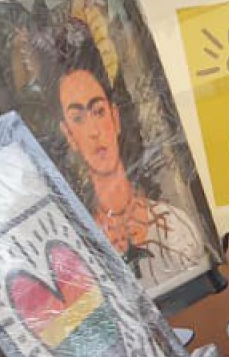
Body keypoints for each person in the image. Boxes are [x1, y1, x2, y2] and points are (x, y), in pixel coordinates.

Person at [39, 15, 212, 296]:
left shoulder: (174, 226)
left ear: (115, 117)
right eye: (78, 118)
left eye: (98, 111)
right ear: (68, 135)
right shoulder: (81, 256)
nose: (94, 131)